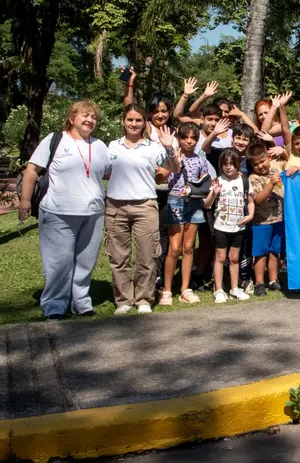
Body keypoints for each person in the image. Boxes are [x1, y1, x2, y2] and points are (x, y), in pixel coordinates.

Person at [18, 101, 111, 320]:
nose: (90, 120)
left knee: (85, 261)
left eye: (93, 117)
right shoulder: (55, 140)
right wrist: (25, 201)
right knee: (58, 262)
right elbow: (32, 170)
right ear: (71, 118)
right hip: (58, 211)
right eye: (84, 116)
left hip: (93, 213)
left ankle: (80, 301)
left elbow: (108, 173)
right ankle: (54, 305)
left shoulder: (99, 145)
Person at [105, 106, 179, 315]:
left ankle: (144, 299)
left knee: (147, 255)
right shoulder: (113, 146)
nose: (134, 124)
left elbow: (173, 168)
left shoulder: (153, 148)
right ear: (123, 121)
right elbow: (104, 171)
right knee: (119, 257)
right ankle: (124, 300)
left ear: (145, 123)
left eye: (138, 120)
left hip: (145, 205)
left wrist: (169, 148)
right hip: (116, 205)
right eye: (130, 120)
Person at [159, 122, 213, 306]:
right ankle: (166, 290)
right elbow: (170, 170)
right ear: (179, 139)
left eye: (193, 138)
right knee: (174, 248)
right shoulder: (172, 156)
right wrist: (172, 152)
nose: (189, 141)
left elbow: (205, 183)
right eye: (185, 137)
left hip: (195, 204)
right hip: (175, 202)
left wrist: (195, 191)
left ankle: (185, 288)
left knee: (188, 247)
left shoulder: (200, 159)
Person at [205, 148, 254, 303]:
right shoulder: (218, 181)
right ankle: (218, 289)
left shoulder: (245, 180)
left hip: (238, 227)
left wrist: (250, 215)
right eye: (225, 164)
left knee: (234, 258)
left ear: (238, 164)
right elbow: (206, 205)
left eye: (232, 163)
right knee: (220, 258)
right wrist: (214, 193)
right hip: (221, 226)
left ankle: (234, 288)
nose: (228, 167)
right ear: (221, 165)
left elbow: (250, 201)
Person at [248, 141, 286, 297]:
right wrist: (270, 184)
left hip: (278, 219)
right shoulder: (253, 178)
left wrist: (283, 151)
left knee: (274, 252)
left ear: (269, 158)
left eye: (262, 161)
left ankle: (273, 279)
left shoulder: (276, 169)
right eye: (255, 164)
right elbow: (258, 200)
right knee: (261, 253)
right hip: (261, 222)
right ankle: (259, 282)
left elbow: (287, 160)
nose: (260, 166)